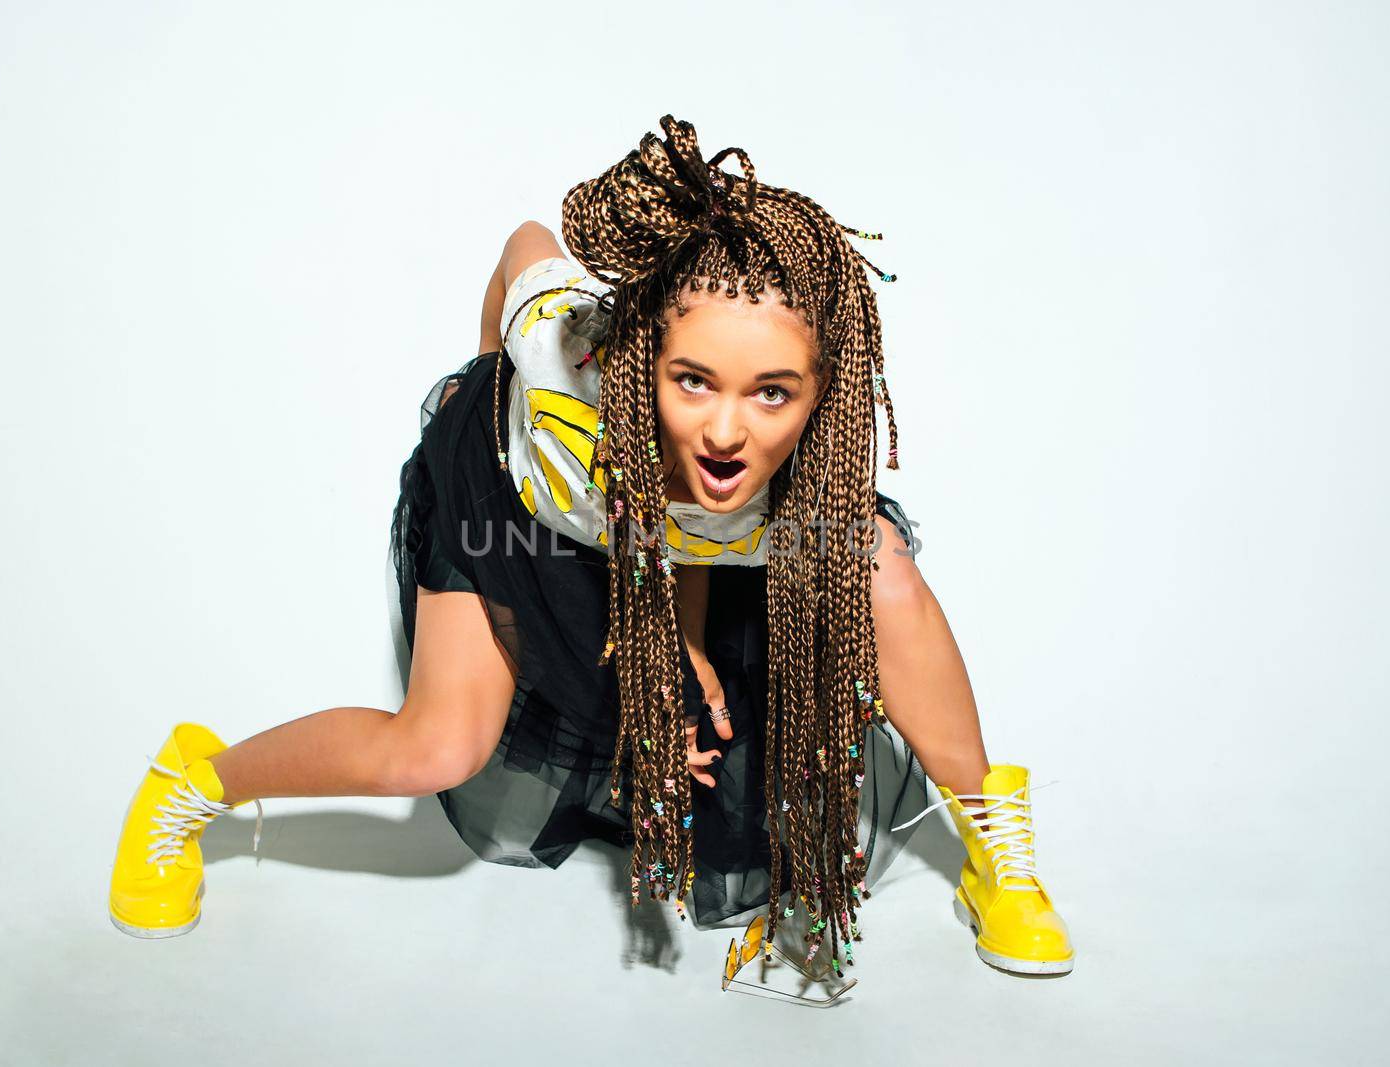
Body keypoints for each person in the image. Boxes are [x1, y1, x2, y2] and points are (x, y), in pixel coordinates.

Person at [106, 115, 1075, 980]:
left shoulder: (779, 476)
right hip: (518, 502)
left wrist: (684, 645)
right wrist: (492, 374)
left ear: (824, 388)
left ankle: (994, 839)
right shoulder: (560, 356)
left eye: (771, 392)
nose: (729, 432)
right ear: (642, 353)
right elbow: (523, 243)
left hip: (647, 532)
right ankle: (190, 780)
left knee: (878, 565)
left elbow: (700, 527)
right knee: (436, 747)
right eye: (693, 381)